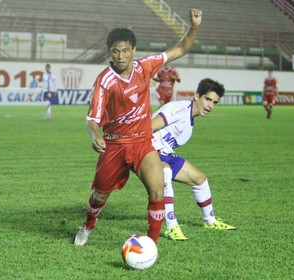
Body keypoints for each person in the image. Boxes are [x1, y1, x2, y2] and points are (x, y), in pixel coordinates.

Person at [74, 8, 203, 246]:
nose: (120, 56)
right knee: (99, 195)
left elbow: (181, 49)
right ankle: (88, 224)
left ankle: (150, 244)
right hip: (114, 145)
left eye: (125, 50)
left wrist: (194, 27)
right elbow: (92, 118)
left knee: (157, 190)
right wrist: (95, 135)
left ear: (133, 50)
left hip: (142, 143)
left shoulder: (145, 66)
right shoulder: (105, 81)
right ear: (109, 52)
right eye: (115, 51)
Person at [151, 78, 236, 241]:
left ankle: (210, 221)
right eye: (208, 99)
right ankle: (171, 226)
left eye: (215, 102)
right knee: (165, 171)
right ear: (197, 96)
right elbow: (148, 126)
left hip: (165, 154)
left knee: (200, 179)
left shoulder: (190, 123)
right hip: (147, 151)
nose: (210, 106)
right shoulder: (179, 109)